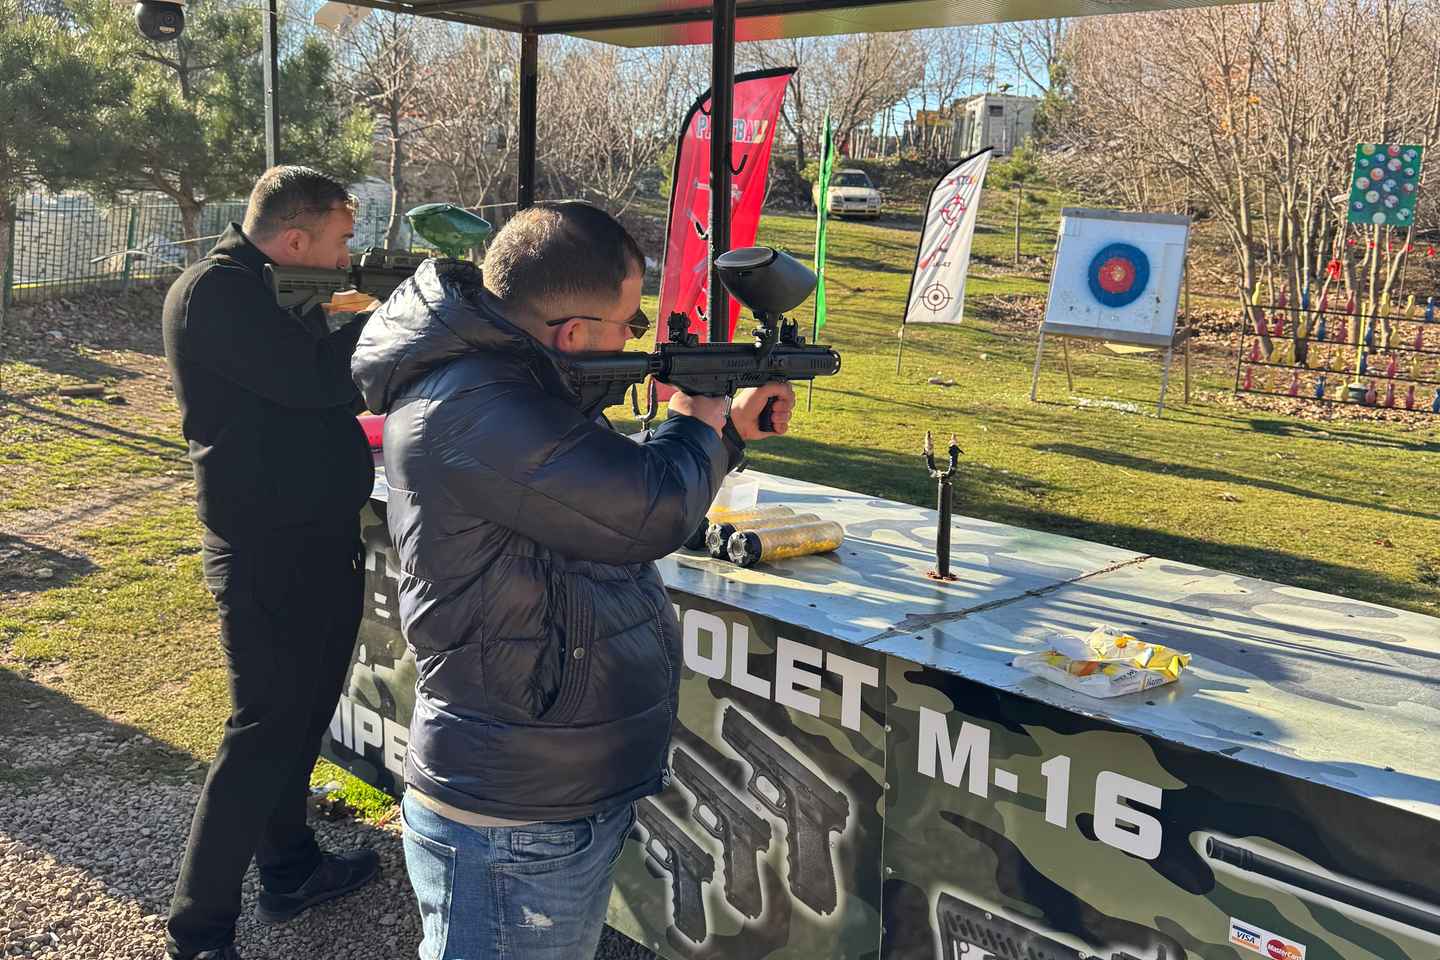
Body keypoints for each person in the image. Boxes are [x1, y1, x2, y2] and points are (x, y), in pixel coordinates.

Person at [350, 201, 795, 960]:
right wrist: (696, 413)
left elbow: (604, 496)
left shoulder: (512, 389)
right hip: (513, 810)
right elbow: (647, 512)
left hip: (541, 786)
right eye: (630, 322)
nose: (638, 339)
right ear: (574, 335)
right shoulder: (474, 407)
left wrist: (722, 433)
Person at [160, 166, 382, 960]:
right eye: (340, 241)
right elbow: (319, 379)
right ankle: (199, 929)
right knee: (260, 732)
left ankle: (290, 869)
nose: (344, 258)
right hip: (267, 552)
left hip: (318, 540)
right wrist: (385, 318)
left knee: (302, 717)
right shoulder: (216, 293)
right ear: (296, 239)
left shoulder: (269, 289)